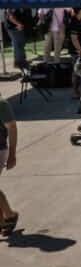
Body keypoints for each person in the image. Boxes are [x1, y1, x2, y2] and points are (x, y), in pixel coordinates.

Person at [0, 99, 19, 237]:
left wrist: (12, 154)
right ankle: (5, 218)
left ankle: (10, 216)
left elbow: (12, 127)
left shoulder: (1, 104)